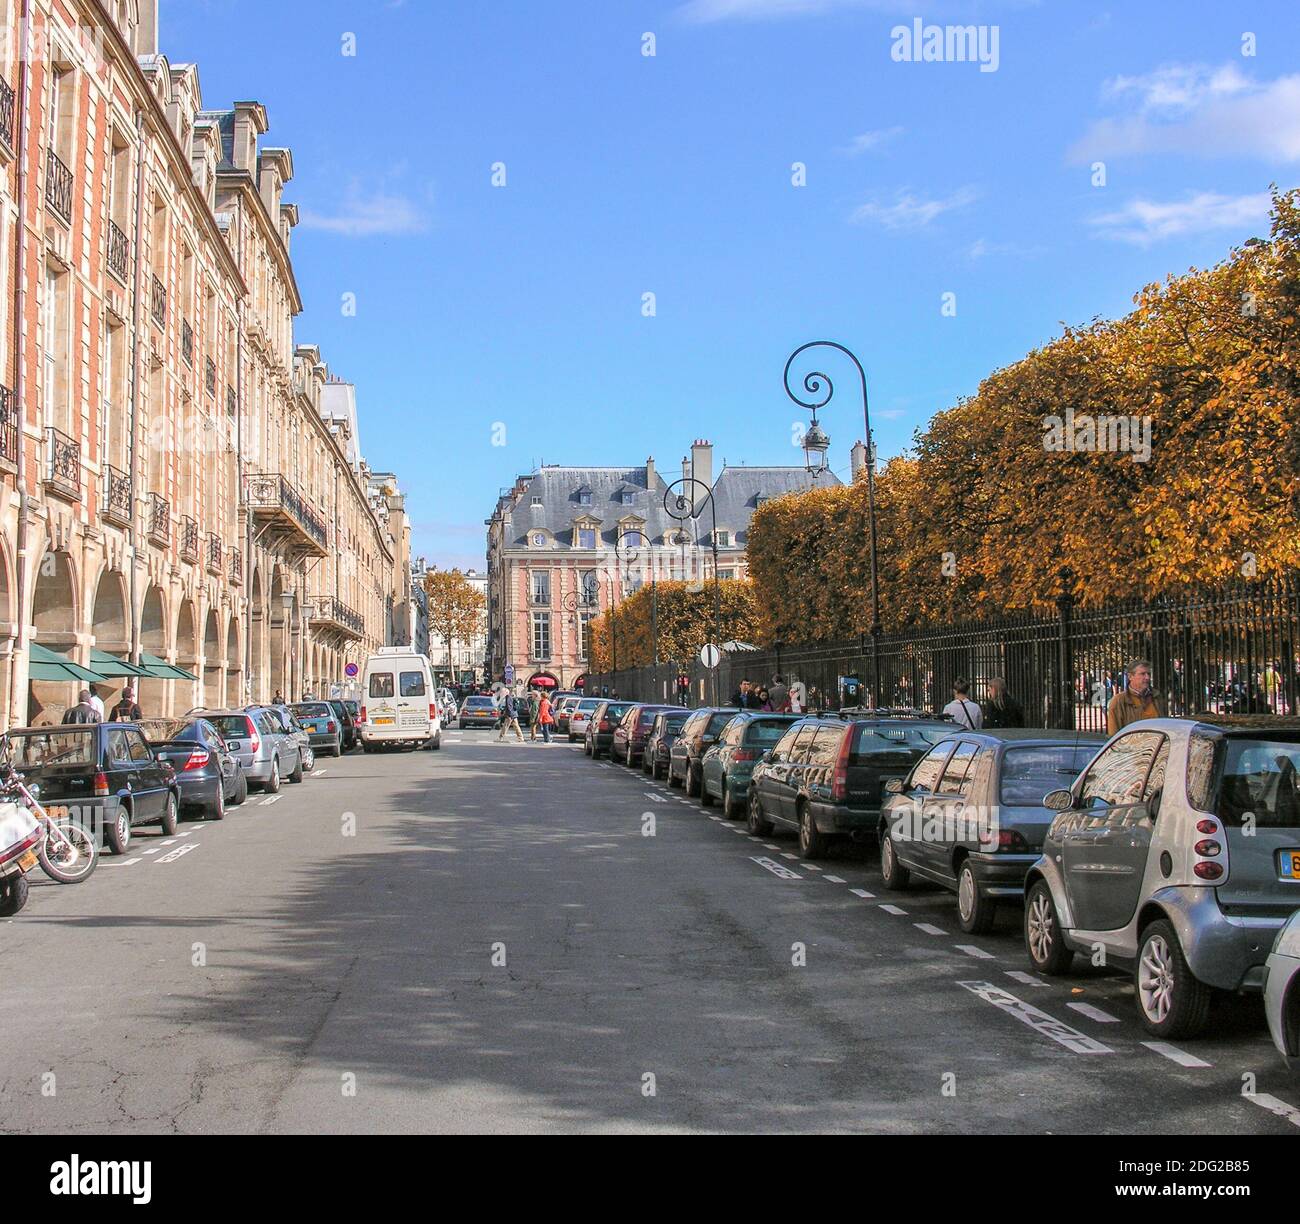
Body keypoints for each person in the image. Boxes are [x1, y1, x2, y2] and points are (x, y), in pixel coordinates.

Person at [1106, 658, 1165, 733]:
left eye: (1149, 674)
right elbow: (1113, 734)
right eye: (1142, 674)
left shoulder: (1156, 696)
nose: (1147, 677)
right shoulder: (1119, 701)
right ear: (1130, 676)